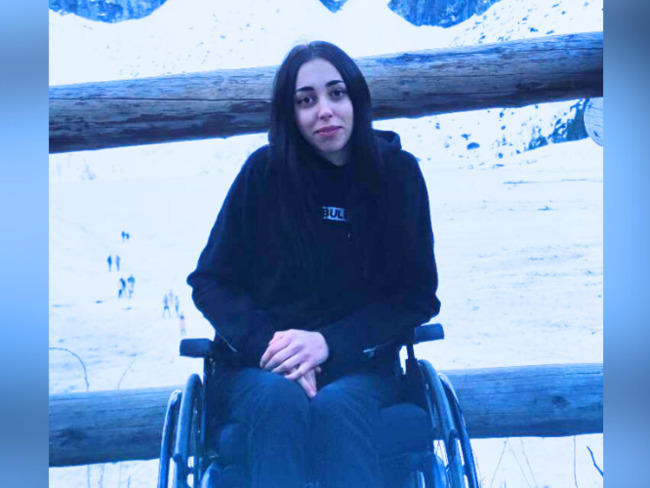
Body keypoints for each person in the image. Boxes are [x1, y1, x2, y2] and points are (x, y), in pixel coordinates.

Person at [187, 41, 440, 488]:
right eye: (306, 100)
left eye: (336, 94)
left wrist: (329, 343)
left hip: (362, 366)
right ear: (290, 114)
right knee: (279, 400)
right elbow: (210, 280)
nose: (324, 111)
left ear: (356, 99)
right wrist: (273, 348)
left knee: (336, 407)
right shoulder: (263, 174)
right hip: (259, 369)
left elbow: (417, 295)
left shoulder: (397, 175)